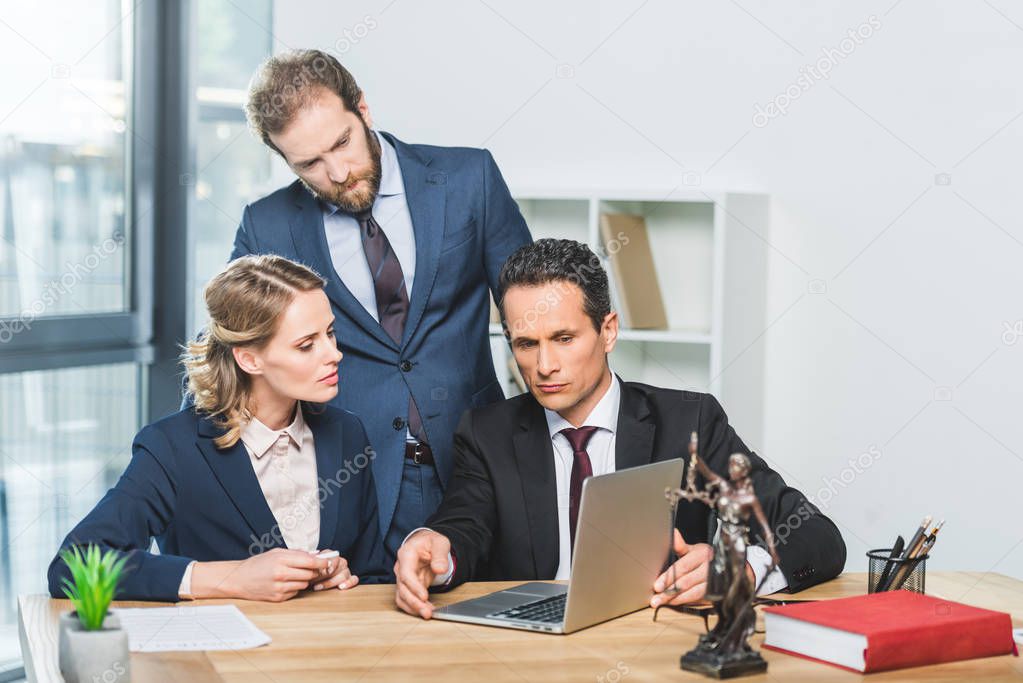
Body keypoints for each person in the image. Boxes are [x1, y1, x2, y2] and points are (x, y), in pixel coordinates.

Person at [394, 239, 846, 619]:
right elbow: (463, 526)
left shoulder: (691, 422)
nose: (544, 366)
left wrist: (741, 569)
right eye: (526, 344)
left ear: (608, 331)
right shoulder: (485, 431)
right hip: (528, 646)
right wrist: (437, 549)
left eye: (564, 338)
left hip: (652, 633)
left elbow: (813, 534)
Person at [234, 49, 532, 557]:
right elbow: (230, 349)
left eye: (342, 142)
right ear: (284, 160)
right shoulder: (267, 225)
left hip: (477, 468)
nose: (338, 172)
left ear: (363, 109)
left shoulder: (469, 178)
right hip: (348, 484)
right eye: (309, 163)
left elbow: (536, 309)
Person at [49, 255, 390, 602]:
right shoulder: (172, 448)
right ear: (249, 359)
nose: (334, 354)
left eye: (330, 333)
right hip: (218, 652)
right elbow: (72, 566)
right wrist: (230, 578)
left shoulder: (347, 433)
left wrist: (347, 579)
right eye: (307, 345)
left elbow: (374, 576)